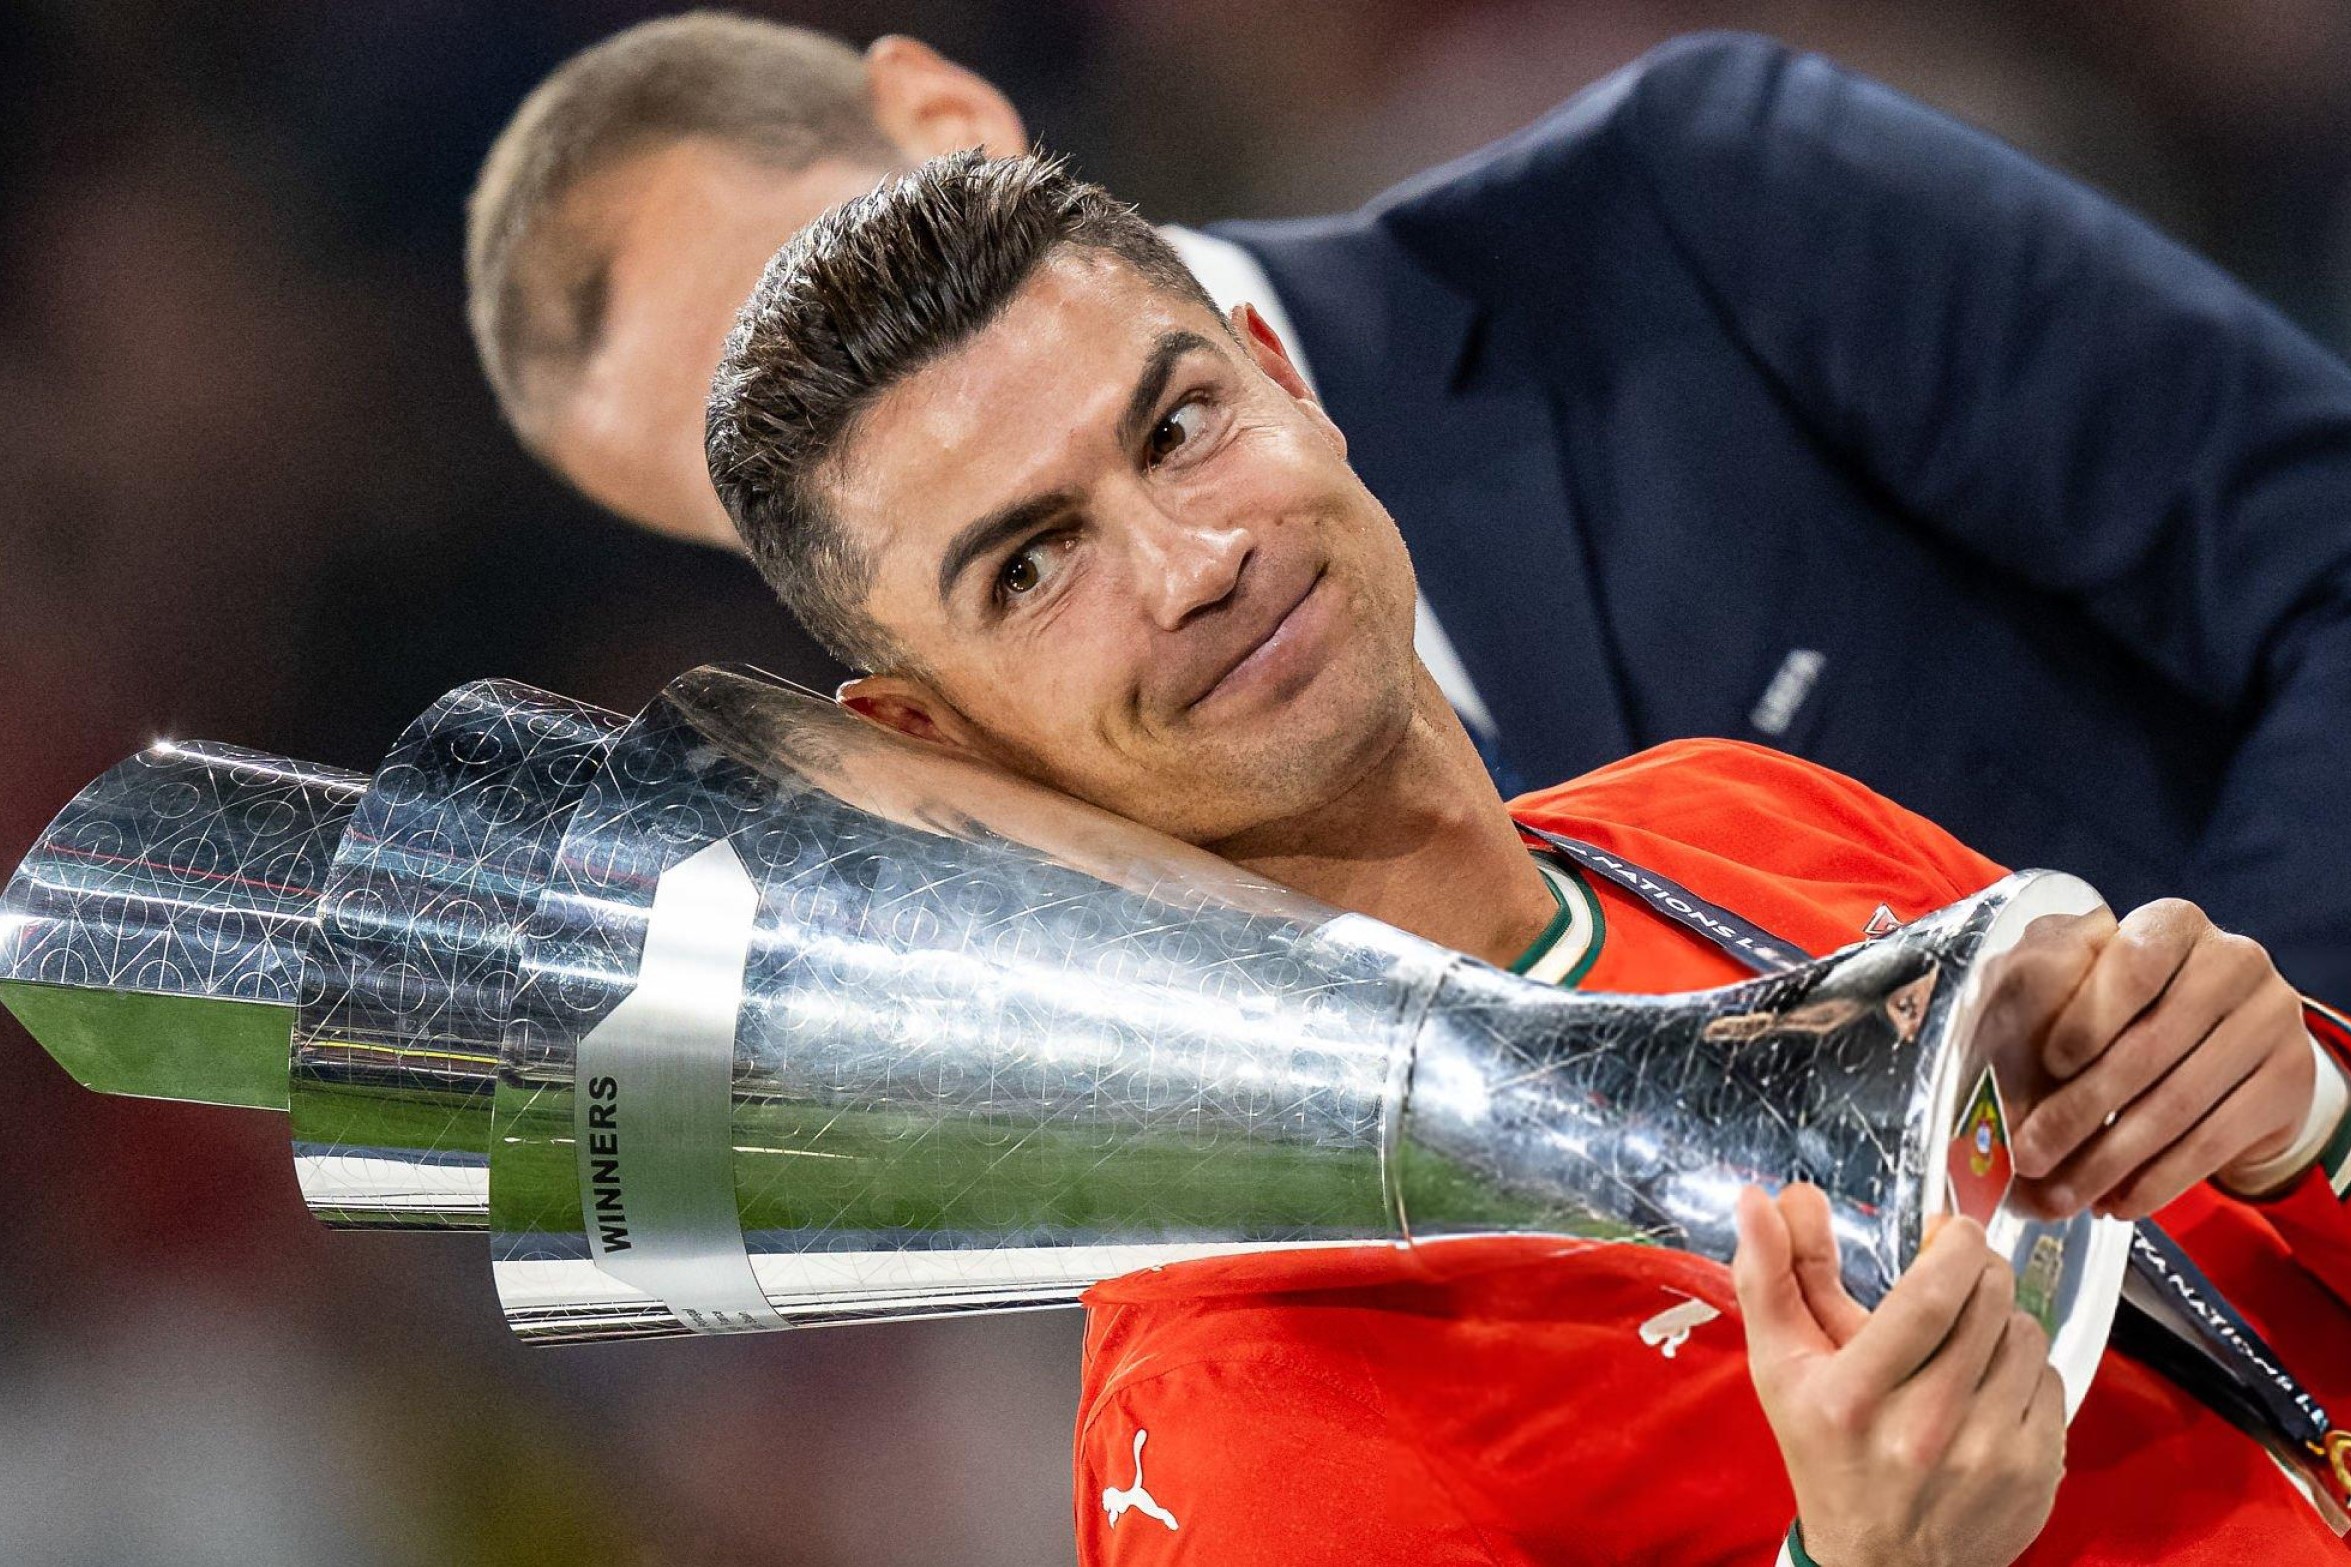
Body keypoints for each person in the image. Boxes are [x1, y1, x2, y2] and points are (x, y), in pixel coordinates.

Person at [699, 149, 2351, 1565]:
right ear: (936, 740)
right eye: (1033, 567)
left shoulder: (1726, 810)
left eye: (1182, 425)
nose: (1195, 561)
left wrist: (2305, 1129)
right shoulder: (1229, 1431)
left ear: (1288, 380)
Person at [466, 16, 2351, 1004]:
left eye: (824, 279)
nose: (842, 409)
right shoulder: (1108, 963)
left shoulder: (1700, 211)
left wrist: (2223, 1146)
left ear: (953, 123)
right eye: (749, 488)